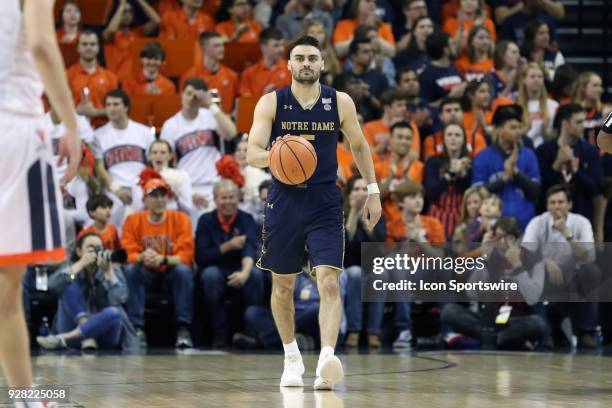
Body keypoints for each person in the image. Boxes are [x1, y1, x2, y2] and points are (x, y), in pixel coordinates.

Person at [246, 35, 382, 389]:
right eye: (299, 58)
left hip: (324, 200)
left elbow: (359, 146)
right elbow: (252, 153)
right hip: (284, 200)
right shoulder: (271, 103)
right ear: (288, 64)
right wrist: (279, 153)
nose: (306, 63)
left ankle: (326, 359)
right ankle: (292, 358)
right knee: (283, 286)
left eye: (312, 58)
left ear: (323, 64)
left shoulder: (339, 102)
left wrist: (373, 191)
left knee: (330, 281)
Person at [0, 0, 80, 400]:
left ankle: (26, 395)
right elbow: (41, 46)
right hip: (12, 130)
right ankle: (26, 397)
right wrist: (70, 123)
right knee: (7, 285)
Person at [441, 217, 549, 350]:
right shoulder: (491, 258)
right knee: (449, 311)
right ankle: (499, 340)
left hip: (516, 320)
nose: (502, 243)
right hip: (490, 319)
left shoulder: (533, 260)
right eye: (498, 238)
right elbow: (472, 293)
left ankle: (491, 339)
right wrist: (484, 258)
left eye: (507, 237)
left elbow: (532, 298)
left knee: (538, 323)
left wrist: (518, 267)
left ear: (517, 239)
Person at [522, 185, 600, 348]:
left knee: (592, 271)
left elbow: (589, 256)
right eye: (552, 202)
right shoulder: (538, 222)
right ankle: (545, 333)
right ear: (547, 205)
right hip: (546, 279)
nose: (556, 206)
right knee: (531, 272)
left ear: (569, 204)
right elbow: (526, 254)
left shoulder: (581, 222)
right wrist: (545, 262)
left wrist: (567, 233)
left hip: (573, 280)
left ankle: (586, 332)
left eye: (560, 202)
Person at [122, 175, 195, 348]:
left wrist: (162, 258)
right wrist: (142, 257)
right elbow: (127, 253)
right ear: (145, 199)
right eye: (154, 195)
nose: (159, 200)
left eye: (163, 195)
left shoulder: (180, 219)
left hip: (170, 274)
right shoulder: (133, 220)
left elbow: (186, 255)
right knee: (131, 270)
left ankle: (183, 328)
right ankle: (137, 328)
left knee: (183, 271)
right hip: (146, 274)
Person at [196, 179, 264, 347]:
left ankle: (250, 331)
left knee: (255, 275)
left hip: (241, 266)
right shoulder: (205, 220)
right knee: (209, 275)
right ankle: (220, 333)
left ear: (238, 198)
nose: (228, 202)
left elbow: (250, 248)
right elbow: (202, 256)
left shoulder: (246, 219)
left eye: (231, 197)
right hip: (216, 269)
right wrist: (228, 246)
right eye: (223, 197)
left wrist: (244, 273)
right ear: (215, 199)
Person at [36, 233, 131, 351]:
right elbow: (53, 286)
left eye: (99, 248)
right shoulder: (73, 268)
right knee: (69, 281)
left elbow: (120, 299)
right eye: (91, 248)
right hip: (71, 326)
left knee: (114, 313)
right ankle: (83, 327)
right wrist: (79, 265)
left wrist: (109, 274)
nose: (95, 252)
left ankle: (62, 338)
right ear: (79, 251)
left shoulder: (111, 269)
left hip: (103, 334)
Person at [160, 77, 237, 218]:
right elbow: (167, 164)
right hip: (189, 187)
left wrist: (211, 105)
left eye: (195, 96)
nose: (191, 98)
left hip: (215, 185)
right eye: (188, 93)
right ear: (181, 95)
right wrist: (187, 193)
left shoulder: (210, 116)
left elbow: (231, 133)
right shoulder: (171, 125)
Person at [472, 104, 540, 230]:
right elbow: (478, 194)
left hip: (526, 226)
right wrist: (504, 179)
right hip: (493, 227)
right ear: (499, 130)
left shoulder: (529, 155)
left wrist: (515, 172)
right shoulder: (483, 157)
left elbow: (535, 192)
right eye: (513, 128)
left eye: (520, 127)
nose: (518, 131)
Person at [93, 89, 155, 227]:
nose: (111, 109)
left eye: (116, 104)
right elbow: (99, 167)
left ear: (126, 107)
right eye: (108, 105)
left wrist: (145, 188)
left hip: (140, 189)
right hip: (113, 191)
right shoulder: (98, 135)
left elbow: (152, 165)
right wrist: (116, 189)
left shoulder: (144, 132)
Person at [537, 104, 603, 227]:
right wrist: (557, 164)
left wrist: (577, 172)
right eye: (578, 122)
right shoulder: (544, 151)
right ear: (565, 124)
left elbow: (596, 189)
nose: (583, 126)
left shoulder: (590, 151)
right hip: (549, 221)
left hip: (581, 219)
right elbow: (539, 189)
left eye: (583, 121)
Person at [343, 176, 386, 348]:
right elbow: (344, 243)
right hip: (347, 269)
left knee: (381, 274)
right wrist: (353, 213)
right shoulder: (341, 214)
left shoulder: (377, 215)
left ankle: (373, 332)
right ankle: (354, 331)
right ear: (349, 194)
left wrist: (364, 218)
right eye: (356, 189)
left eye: (364, 189)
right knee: (354, 273)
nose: (361, 193)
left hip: (370, 268)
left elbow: (378, 241)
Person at [424, 123, 473, 240]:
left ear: (463, 140)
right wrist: (450, 174)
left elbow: (468, 192)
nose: (453, 138)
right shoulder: (433, 161)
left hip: (461, 216)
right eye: (449, 135)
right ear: (444, 139)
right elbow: (430, 192)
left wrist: (462, 174)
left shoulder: (471, 163)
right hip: (436, 215)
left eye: (457, 135)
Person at [66, 31, 119, 127]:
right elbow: (59, 107)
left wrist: (95, 112)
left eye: (92, 44)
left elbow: (117, 110)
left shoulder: (110, 77)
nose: (89, 47)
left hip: (103, 128)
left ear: (98, 48)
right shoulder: (67, 75)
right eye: (84, 44)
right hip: (74, 128)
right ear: (78, 48)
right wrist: (77, 111)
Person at [102, 0, 161, 84]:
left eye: (130, 12)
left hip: (136, 83)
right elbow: (111, 30)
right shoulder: (111, 36)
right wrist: (121, 6)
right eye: (124, 12)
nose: (127, 15)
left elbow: (157, 21)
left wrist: (140, 1)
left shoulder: (137, 33)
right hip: (117, 83)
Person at [180, 31, 239, 114]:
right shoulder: (190, 76)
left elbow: (237, 105)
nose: (222, 49)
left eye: (222, 45)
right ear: (204, 48)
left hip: (223, 123)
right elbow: (184, 105)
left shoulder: (232, 76)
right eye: (216, 46)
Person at [132, 140, 194, 215]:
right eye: (155, 152)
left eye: (163, 152)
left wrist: (175, 193)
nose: (158, 156)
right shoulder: (139, 179)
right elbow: (137, 210)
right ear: (149, 157)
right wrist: (148, 191)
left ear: (170, 156)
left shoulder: (182, 176)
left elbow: (188, 209)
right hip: (149, 220)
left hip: (174, 218)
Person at [422, 97, 487, 160]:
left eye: (456, 110)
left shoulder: (476, 138)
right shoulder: (431, 140)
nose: (453, 114)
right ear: (441, 116)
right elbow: (431, 164)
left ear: (462, 114)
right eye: (448, 111)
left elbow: (480, 163)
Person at [363, 90, 420, 157]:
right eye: (399, 105)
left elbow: (415, 156)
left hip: (402, 167)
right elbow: (367, 157)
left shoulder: (411, 126)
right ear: (387, 108)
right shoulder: (369, 127)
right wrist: (391, 135)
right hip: (377, 166)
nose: (404, 108)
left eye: (405, 105)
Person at [238, 28, 291, 98]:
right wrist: (264, 96)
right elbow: (246, 105)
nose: (281, 49)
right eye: (276, 45)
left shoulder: (292, 70)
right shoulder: (248, 73)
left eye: (282, 45)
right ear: (263, 47)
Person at [515, 62, 558, 148]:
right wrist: (526, 128)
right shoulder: (515, 105)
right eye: (532, 77)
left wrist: (544, 131)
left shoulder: (553, 105)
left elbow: (556, 137)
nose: (537, 80)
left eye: (540, 77)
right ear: (524, 80)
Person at [418, 32, 465, 107]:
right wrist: (450, 97)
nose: (455, 46)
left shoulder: (454, 67)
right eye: (452, 44)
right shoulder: (426, 76)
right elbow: (425, 109)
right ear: (446, 50)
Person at [305, 19, 341, 86]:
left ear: (325, 37)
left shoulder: (331, 56)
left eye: (320, 32)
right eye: (312, 32)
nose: (315, 35)